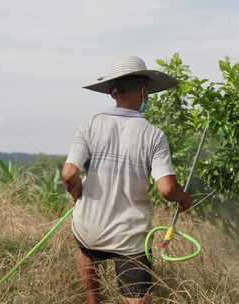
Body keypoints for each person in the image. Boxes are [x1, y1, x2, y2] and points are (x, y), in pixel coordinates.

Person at [61, 56, 192, 304]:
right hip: (130, 239)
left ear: (112, 93)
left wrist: (77, 194)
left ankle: (93, 301)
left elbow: (68, 174)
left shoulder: (90, 125)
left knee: (87, 249)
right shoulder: (154, 136)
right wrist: (184, 198)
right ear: (144, 91)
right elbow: (167, 189)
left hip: (89, 230)